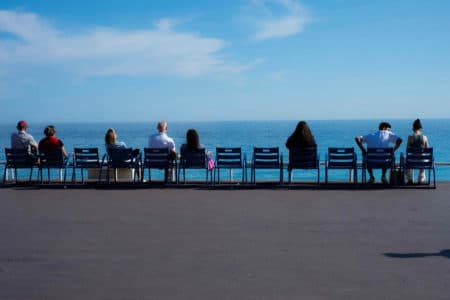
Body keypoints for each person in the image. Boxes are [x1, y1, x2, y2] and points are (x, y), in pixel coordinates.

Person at [405, 119, 430, 185]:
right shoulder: (425, 137)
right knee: (424, 159)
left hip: (412, 161)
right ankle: (420, 179)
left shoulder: (410, 137)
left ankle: (410, 179)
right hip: (422, 161)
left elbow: (407, 149)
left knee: (406, 160)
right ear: (421, 128)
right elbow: (428, 149)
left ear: (413, 128)